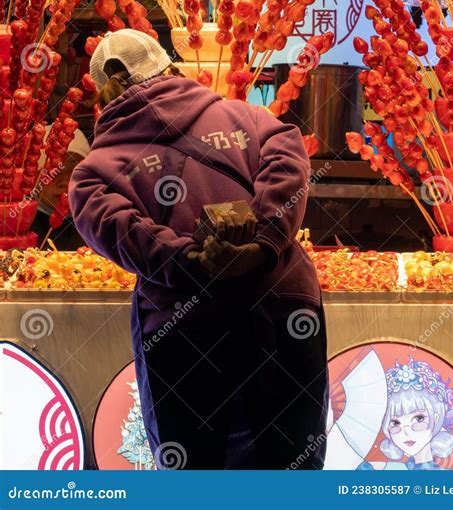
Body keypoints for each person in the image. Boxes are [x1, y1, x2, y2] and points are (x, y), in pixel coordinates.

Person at [69, 29, 327, 470]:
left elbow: (116, 227)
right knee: (291, 463)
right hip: (283, 309)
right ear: (168, 68)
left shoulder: (94, 171)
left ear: (102, 94)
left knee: (194, 470)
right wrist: (260, 244)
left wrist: (192, 261)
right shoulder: (249, 118)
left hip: (184, 325)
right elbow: (289, 156)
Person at [31, 126, 90, 250]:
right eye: (55, 170)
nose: (65, 182)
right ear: (34, 174)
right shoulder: (19, 222)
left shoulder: (96, 222)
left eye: (75, 171)